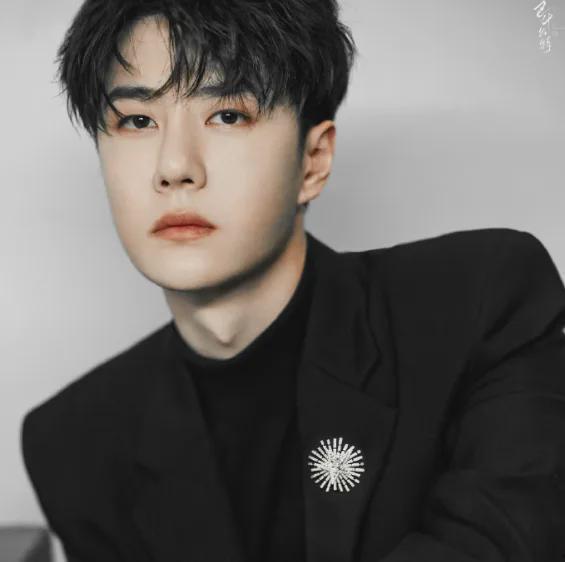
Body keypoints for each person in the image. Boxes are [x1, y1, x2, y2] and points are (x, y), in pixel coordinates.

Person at [20, 1, 565, 561]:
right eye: (137, 121)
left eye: (228, 115)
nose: (175, 166)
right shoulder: (73, 444)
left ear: (313, 160)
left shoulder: (481, 303)